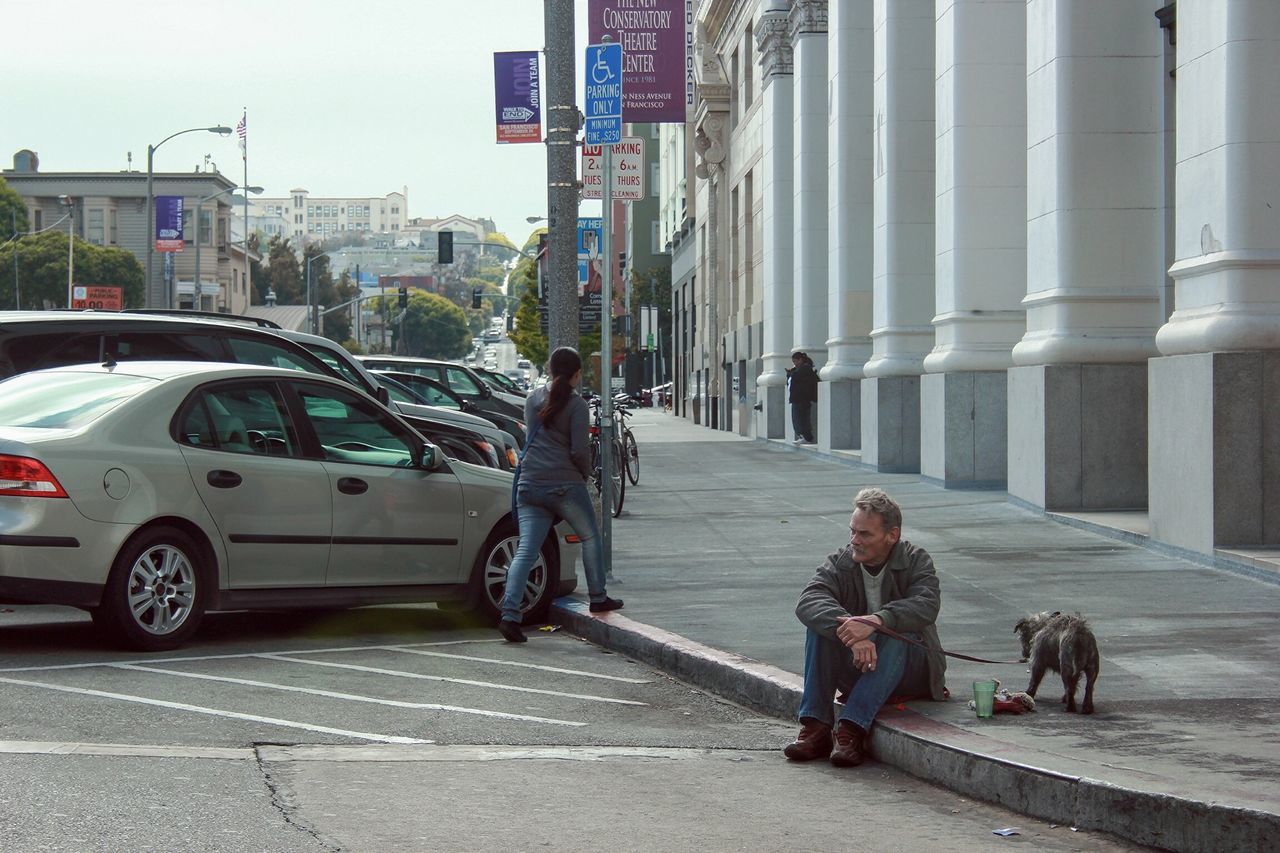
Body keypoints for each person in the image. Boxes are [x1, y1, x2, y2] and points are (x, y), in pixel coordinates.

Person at [783, 488, 947, 767]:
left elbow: (926, 604)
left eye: (864, 534)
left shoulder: (916, 560)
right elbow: (810, 600)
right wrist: (853, 631)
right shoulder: (840, 562)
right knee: (821, 627)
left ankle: (851, 730)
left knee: (899, 632)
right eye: (852, 531)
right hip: (862, 664)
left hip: (912, 671)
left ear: (891, 535)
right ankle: (816, 727)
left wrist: (876, 621)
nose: (854, 541)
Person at [498, 346, 623, 643]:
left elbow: (530, 437)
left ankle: (510, 614)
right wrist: (584, 474)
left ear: (550, 369)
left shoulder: (532, 399)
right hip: (564, 484)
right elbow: (579, 450)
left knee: (526, 550)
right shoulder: (577, 405)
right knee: (590, 537)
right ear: (577, 374)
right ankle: (598, 596)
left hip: (530, 484)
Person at [786, 351, 817, 444]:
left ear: (801, 360)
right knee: (797, 419)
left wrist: (791, 373)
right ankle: (803, 436)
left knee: (802, 419)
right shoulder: (799, 370)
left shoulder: (805, 369)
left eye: (796, 361)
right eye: (793, 362)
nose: (795, 364)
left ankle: (807, 437)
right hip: (797, 398)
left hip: (802, 399)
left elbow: (797, 378)